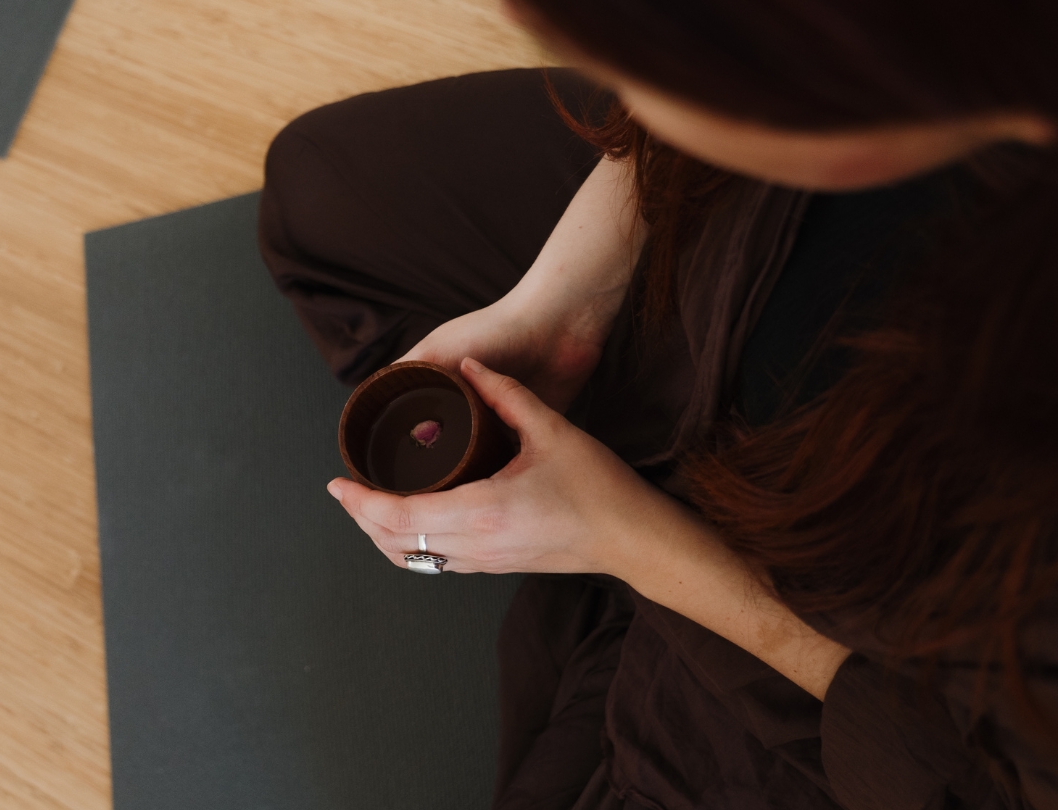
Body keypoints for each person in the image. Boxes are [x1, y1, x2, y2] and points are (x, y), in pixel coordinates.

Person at [258, 1, 1058, 808]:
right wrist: (564, 304)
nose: (625, 99)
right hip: (729, 299)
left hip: (851, 615)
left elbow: (980, 779)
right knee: (317, 189)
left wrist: (631, 540)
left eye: (650, 75)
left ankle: (606, 562)